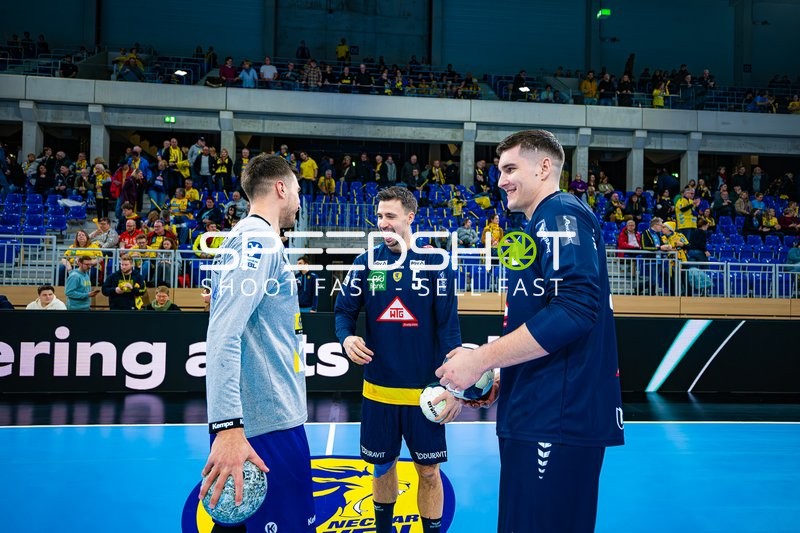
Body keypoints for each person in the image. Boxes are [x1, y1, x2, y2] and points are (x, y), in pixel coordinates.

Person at [435, 130, 624, 533]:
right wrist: (504, 377)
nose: (500, 180)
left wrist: (479, 360)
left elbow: (576, 308)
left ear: (543, 168)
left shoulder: (559, 213)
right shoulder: (545, 221)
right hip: (542, 411)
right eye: (499, 171)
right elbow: (554, 315)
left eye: (510, 169)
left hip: (554, 416)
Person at [334, 186, 462, 533]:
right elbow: (343, 312)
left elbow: (449, 331)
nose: (383, 223)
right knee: (382, 467)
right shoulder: (365, 263)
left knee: (429, 472)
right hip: (379, 393)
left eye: (390, 216)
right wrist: (347, 338)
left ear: (410, 217)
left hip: (426, 395)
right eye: (379, 216)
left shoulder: (436, 264)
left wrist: (454, 389)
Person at [200, 154, 315, 532]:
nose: (298, 200)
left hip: (259, 419)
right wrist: (228, 428)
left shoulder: (245, 239)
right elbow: (223, 334)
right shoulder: (258, 242)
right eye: (297, 190)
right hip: (265, 424)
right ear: (281, 188)